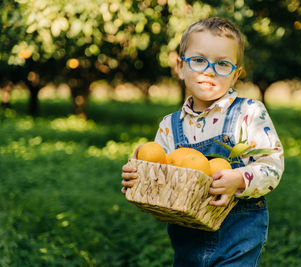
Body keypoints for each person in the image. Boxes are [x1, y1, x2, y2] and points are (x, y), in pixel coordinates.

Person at [121, 17, 284, 267]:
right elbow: (158, 173)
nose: (209, 70)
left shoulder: (248, 113)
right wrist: (138, 175)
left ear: (236, 74)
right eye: (198, 60)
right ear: (180, 66)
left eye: (222, 64)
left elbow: (272, 166)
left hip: (238, 239)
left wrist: (239, 179)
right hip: (188, 242)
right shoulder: (169, 125)